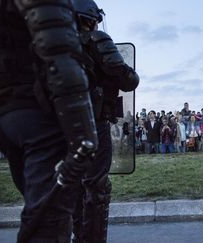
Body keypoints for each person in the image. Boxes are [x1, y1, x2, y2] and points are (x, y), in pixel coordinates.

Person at [0, 1, 99, 242]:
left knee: (39, 217)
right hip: (40, 116)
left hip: (6, 109)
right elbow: (61, 59)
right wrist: (84, 134)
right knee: (47, 225)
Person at [70, 1, 139, 242]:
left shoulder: (52, 45)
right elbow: (128, 79)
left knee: (74, 186)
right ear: (90, 18)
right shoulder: (95, 39)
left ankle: (78, 237)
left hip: (61, 128)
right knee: (96, 187)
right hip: (93, 124)